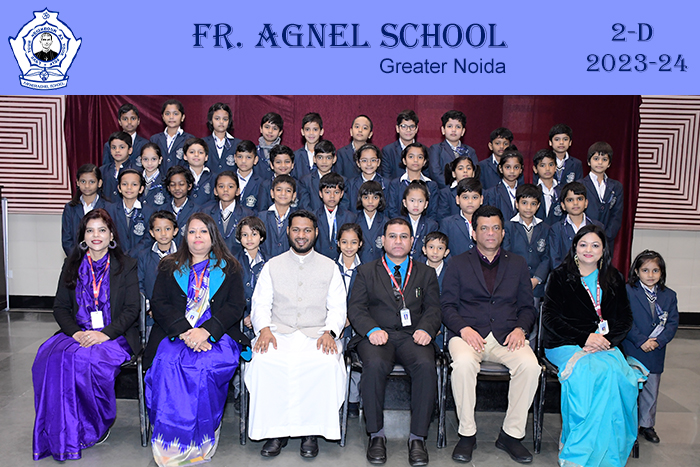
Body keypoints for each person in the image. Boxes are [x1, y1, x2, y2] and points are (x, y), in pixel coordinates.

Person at [33, 209, 139, 461]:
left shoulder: (126, 265)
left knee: (87, 360)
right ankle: (60, 432)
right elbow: (60, 307)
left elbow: (132, 309)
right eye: (90, 230)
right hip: (77, 333)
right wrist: (77, 333)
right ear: (83, 236)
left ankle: (93, 425)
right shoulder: (71, 265)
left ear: (111, 235)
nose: (96, 235)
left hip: (115, 335)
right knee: (48, 357)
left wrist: (105, 335)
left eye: (102, 230)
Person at [144, 212, 249, 467]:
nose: (197, 237)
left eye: (203, 231)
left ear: (213, 236)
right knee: (167, 364)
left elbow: (235, 306)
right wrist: (184, 331)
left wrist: (206, 331)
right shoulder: (169, 265)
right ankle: (168, 443)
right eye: (192, 231)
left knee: (203, 366)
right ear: (185, 236)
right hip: (176, 334)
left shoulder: (230, 267)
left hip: (218, 335)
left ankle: (201, 441)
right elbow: (159, 303)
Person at [441, 205, 540, 464]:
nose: (490, 233)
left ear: (503, 233)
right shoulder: (458, 263)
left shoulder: (517, 263)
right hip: (467, 334)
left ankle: (511, 435)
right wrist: (464, 329)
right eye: (484, 228)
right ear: (474, 233)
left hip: (507, 335)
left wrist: (520, 329)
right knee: (463, 364)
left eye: (496, 228)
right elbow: (447, 306)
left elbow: (527, 307)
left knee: (530, 366)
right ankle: (467, 434)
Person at [245, 210, 347, 458]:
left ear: (316, 233)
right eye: (297, 230)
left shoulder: (330, 267)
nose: (302, 235)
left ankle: (311, 432)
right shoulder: (272, 265)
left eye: (307, 230)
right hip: (279, 332)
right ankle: (274, 431)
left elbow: (338, 307)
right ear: (288, 232)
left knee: (324, 363)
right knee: (264, 361)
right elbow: (260, 303)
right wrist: (264, 329)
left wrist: (330, 332)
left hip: (317, 333)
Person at [543, 224, 642, 467]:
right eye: (583, 244)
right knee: (591, 372)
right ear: (575, 248)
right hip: (565, 343)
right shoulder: (559, 276)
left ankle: (608, 450)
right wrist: (585, 338)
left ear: (603, 249)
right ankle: (578, 448)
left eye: (595, 245)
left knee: (619, 376)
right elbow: (551, 319)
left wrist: (604, 341)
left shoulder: (614, 278)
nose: (589, 250)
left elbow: (625, 319)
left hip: (605, 345)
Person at [347, 217, 441, 466]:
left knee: (426, 365)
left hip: (413, 336)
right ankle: (376, 435)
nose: (398, 241)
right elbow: (356, 308)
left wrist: (426, 329)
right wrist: (371, 329)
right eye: (392, 236)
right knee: (374, 365)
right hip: (378, 335)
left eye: (403, 236)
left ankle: (417, 437)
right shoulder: (366, 271)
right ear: (383, 240)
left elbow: (434, 309)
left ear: (412, 241)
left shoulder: (426, 273)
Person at [623, 250, 679, 444]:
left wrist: (658, 341)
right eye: (645, 270)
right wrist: (641, 341)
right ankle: (628, 423)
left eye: (655, 270)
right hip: (633, 348)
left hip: (656, 350)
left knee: (651, 389)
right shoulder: (628, 292)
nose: (650, 275)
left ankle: (647, 424)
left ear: (662, 272)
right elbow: (625, 320)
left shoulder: (669, 295)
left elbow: (672, 323)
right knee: (631, 388)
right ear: (636, 271)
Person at [503, 184, 551, 306]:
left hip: (536, 285)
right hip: (513, 282)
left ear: (538, 206)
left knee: (533, 314)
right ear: (517, 204)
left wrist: (537, 279)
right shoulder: (508, 227)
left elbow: (546, 257)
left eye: (533, 204)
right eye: (524, 203)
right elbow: (506, 254)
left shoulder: (544, 228)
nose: (528, 207)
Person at [579, 141, 624, 253]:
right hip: (584, 239)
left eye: (604, 159)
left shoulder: (616, 187)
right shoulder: (580, 185)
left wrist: (606, 236)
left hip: (607, 241)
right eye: (596, 159)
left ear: (609, 163)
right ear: (588, 161)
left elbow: (617, 215)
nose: (600, 162)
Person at [548, 182, 604, 268]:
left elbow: (603, 255)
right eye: (570, 200)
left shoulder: (597, 226)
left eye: (579, 199)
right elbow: (554, 260)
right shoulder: (556, 229)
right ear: (563, 205)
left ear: (586, 203)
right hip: (565, 275)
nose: (575, 203)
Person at [200, 170, 255, 256]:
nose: (225, 190)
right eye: (221, 186)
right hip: (211, 259)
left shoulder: (247, 214)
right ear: (215, 191)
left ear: (238, 191)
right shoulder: (206, 213)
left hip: (238, 260)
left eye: (230, 186)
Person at [386, 143, 440, 221]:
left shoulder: (431, 185)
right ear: (404, 160)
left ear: (424, 162)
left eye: (420, 157)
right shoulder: (395, 184)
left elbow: (433, 213)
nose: (415, 160)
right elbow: (392, 210)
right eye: (411, 156)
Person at [61, 164, 106, 256]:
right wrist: (78, 259)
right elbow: (67, 240)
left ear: (99, 183)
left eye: (91, 182)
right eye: (83, 181)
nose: (87, 186)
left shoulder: (109, 207)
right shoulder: (70, 208)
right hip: (77, 259)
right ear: (77, 182)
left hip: (103, 259)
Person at [106, 169, 152, 257]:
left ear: (141, 189)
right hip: (115, 257)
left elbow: (148, 238)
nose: (129, 187)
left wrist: (131, 254)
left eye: (134, 184)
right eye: (124, 184)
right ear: (119, 188)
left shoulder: (149, 212)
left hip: (140, 258)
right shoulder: (109, 210)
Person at [428, 110, 477, 189]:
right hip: (444, 191)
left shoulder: (470, 151)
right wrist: (453, 188)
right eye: (450, 126)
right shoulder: (436, 149)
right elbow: (435, 173)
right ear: (443, 130)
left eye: (458, 127)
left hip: (467, 191)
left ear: (463, 131)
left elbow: (475, 173)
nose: (454, 130)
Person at [315, 173, 356, 260]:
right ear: (320, 194)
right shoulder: (313, 216)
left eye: (336, 192)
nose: (332, 196)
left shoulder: (350, 217)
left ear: (341, 194)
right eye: (327, 192)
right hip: (318, 262)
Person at [439, 178, 483, 256]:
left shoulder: (488, 222)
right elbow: (442, 249)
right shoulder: (447, 223)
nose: (470, 201)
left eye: (475, 197)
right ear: (457, 200)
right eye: (465, 197)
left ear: (481, 199)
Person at [149, 99, 195, 173]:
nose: (171, 117)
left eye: (175, 114)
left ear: (182, 117)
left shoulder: (190, 139)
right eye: (167, 114)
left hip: (181, 179)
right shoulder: (154, 139)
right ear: (163, 117)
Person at [258, 174, 297, 258]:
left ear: (294, 196)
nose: (283, 193)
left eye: (288, 191)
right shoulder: (261, 217)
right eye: (279, 190)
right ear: (272, 193)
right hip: (266, 261)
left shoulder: (297, 218)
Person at [297, 139, 341, 212]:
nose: (324, 161)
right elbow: (304, 206)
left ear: (334, 159)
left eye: (328, 158)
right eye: (320, 157)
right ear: (314, 159)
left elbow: (344, 206)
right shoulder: (305, 181)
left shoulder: (342, 180)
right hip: (311, 218)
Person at [401, 180, 438, 262]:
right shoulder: (397, 224)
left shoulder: (432, 225)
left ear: (426, 204)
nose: (416, 205)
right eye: (412, 200)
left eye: (420, 201)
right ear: (404, 202)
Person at [483, 149, 524, 221]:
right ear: (500, 168)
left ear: (521, 169)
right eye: (508, 167)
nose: (512, 171)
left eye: (516, 167)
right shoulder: (492, 193)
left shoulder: (525, 191)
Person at [202, 102, 242, 176]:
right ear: (210, 120)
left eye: (225, 119)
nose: (221, 122)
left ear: (229, 121)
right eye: (217, 118)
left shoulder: (237, 144)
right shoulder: (202, 143)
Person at [355, 180, 389, 264]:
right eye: (366, 197)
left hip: (380, 265)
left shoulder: (386, 222)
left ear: (380, 199)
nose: (370, 201)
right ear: (360, 198)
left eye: (375, 197)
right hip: (359, 265)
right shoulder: (354, 220)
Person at [381, 110, 420, 181]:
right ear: (397, 128)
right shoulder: (388, 151)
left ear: (416, 129)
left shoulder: (424, 150)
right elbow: (386, 178)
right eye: (404, 126)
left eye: (412, 126)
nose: (408, 130)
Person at [346, 143, 387, 212]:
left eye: (373, 160)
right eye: (364, 160)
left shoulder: (386, 184)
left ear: (378, 162)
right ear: (358, 163)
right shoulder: (350, 184)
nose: (369, 164)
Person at [256, 144, 297, 211]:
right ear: (272, 165)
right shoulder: (265, 185)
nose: (283, 165)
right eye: (278, 162)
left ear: (292, 164)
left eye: (287, 162)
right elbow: (262, 210)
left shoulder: (298, 184)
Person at [101, 131, 134, 202]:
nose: (117, 150)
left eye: (121, 147)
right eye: (114, 147)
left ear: (130, 150)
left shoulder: (136, 171)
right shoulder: (103, 170)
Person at [533, 149, 563, 226]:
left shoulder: (562, 192)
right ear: (535, 169)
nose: (547, 169)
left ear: (556, 167)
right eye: (542, 165)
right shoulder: (532, 191)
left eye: (551, 164)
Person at [292, 112, 324, 180]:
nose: (311, 133)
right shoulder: (295, 156)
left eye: (315, 129)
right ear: (302, 132)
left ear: (321, 132)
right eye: (307, 129)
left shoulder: (327, 155)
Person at [234, 140, 263, 211]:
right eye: (240, 157)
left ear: (255, 160)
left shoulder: (261, 183)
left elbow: (261, 209)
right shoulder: (227, 179)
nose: (243, 161)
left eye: (248, 157)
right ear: (235, 158)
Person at [255, 112, 284, 180]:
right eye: (267, 127)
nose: (270, 131)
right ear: (261, 129)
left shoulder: (284, 154)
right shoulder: (253, 151)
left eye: (275, 128)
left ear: (280, 132)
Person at [140, 142, 168, 209]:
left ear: (160, 160)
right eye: (145, 159)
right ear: (141, 160)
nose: (149, 163)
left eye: (154, 159)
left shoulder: (165, 182)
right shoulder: (136, 178)